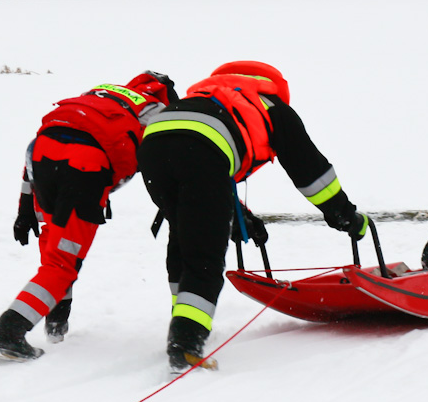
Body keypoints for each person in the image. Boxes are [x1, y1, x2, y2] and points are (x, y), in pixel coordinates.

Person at [137, 61, 366, 372]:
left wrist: (238, 217)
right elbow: (311, 171)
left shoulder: (205, 98)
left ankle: (183, 322)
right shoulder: (272, 106)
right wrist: (344, 214)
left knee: (184, 234)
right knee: (204, 254)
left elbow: (206, 175)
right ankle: (185, 345)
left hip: (153, 143)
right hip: (201, 149)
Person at [0, 72, 178, 363]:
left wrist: (25, 206)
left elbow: (41, 141)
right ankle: (9, 333)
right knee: (62, 263)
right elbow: (165, 166)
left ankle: (56, 324)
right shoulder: (157, 112)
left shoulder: (104, 95)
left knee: (55, 248)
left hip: (42, 157)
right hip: (84, 169)